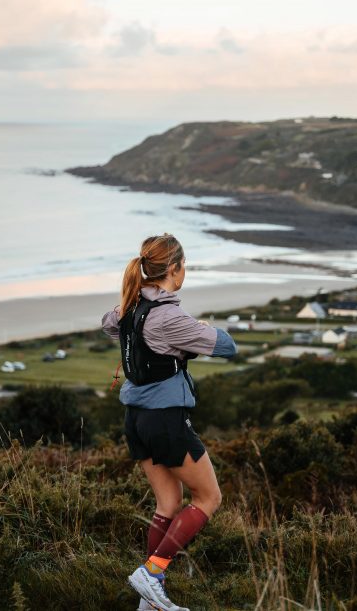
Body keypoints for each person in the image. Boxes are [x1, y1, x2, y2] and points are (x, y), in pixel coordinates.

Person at [101, 233, 237, 611]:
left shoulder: (130, 307)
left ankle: (150, 599)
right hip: (166, 421)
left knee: (168, 503)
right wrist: (197, 328)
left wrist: (176, 334)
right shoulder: (168, 316)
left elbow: (109, 323)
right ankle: (152, 572)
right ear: (174, 268)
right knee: (208, 498)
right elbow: (227, 346)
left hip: (136, 421)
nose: (185, 271)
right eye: (184, 265)